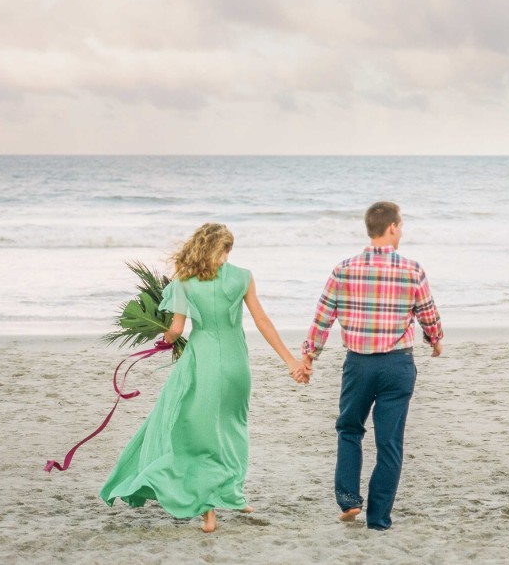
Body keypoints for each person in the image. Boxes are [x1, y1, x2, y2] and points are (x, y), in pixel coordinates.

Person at [100, 222, 307, 533]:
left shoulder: (184, 281)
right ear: (223, 250)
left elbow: (177, 331)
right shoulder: (243, 277)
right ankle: (232, 493)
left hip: (202, 363)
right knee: (233, 427)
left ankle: (209, 510)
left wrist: (164, 339)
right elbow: (262, 320)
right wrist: (290, 360)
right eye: (228, 249)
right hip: (236, 365)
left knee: (199, 433)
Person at [301, 201, 444, 531]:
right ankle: (379, 520)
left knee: (350, 429)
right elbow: (427, 312)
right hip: (398, 365)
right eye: (401, 226)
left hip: (359, 365)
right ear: (392, 227)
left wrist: (310, 355)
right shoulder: (412, 270)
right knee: (389, 444)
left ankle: (349, 501)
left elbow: (324, 317)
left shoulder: (344, 269)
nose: (402, 232)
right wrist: (435, 339)